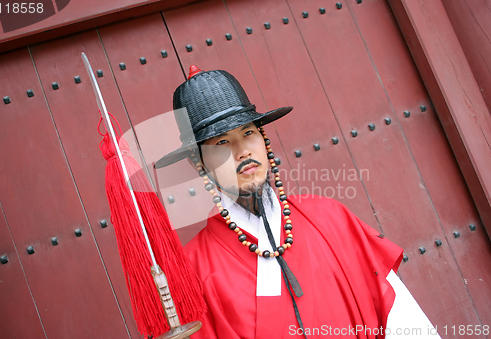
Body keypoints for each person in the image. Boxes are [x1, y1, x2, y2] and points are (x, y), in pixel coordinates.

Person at [154, 66, 441, 339]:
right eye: (221, 143)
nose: (243, 151)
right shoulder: (192, 270)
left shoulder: (330, 218)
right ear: (198, 162)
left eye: (248, 133)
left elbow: (399, 317)